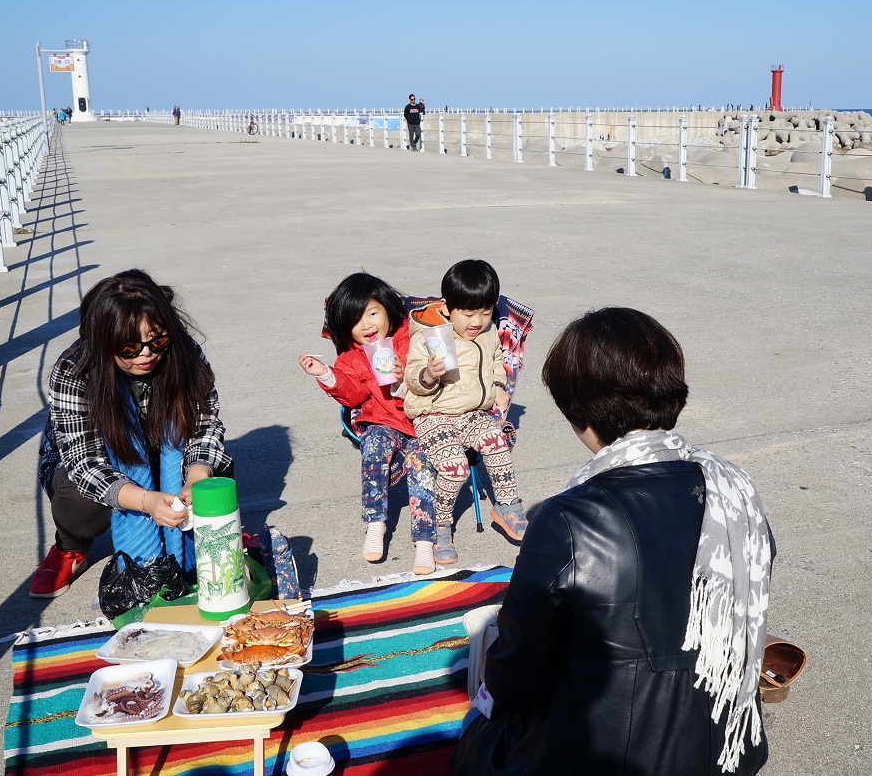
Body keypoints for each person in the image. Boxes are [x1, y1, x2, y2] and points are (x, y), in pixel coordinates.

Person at [451, 307, 774, 776]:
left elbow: (517, 681)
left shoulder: (569, 519)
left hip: (605, 758)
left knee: (475, 736)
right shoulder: (734, 491)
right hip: (727, 750)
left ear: (576, 409)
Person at [29, 269, 233, 598]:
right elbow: (84, 464)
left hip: (165, 451)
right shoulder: (74, 369)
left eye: (158, 340)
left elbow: (204, 423)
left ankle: (208, 540)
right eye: (128, 347)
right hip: (95, 459)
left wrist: (197, 475)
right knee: (77, 496)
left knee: (215, 472)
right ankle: (71, 546)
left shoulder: (184, 352)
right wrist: (146, 500)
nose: (146, 354)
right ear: (102, 342)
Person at [298, 273, 437, 575]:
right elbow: (353, 394)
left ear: (388, 308)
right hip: (382, 420)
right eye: (355, 320)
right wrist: (325, 373)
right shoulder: (351, 357)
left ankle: (424, 542)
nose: (367, 325)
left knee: (421, 462)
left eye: (373, 313)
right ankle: (375, 524)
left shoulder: (412, 338)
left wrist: (407, 377)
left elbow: (437, 375)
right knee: (373, 445)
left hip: (422, 420)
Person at [404, 260, 526, 563]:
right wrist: (429, 375)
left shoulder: (489, 332)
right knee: (455, 466)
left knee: (497, 441)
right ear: (447, 308)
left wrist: (499, 385)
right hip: (434, 415)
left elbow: (498, 359)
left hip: (473, 413)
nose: (477, 321)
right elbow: (412, 379)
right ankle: (440, 525)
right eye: (468, 313)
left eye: (485, 312)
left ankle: (507, 507)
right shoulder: (429, 337)